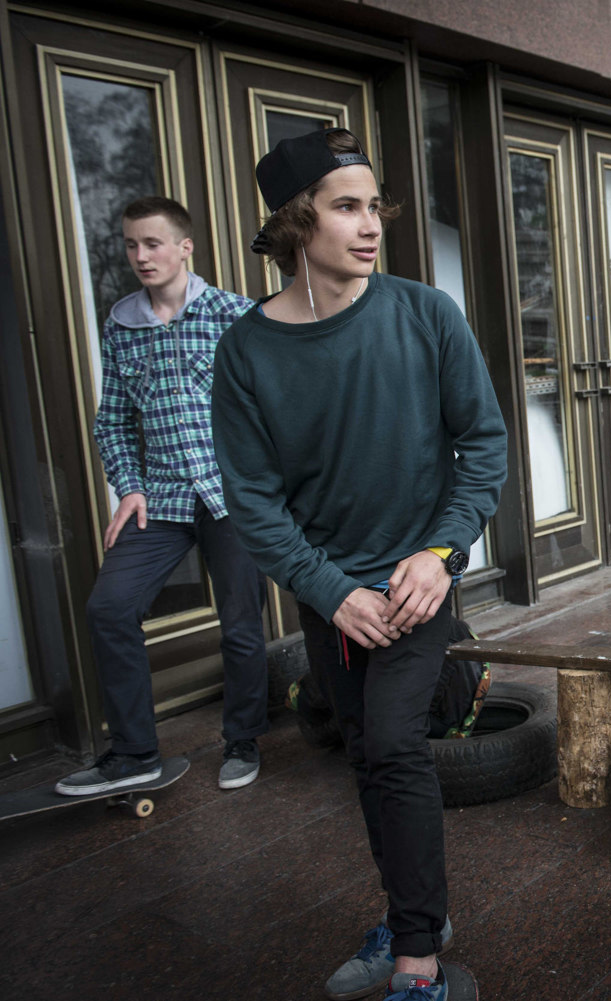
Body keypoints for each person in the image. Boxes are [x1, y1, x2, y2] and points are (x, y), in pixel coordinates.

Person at [211, 128, 508, 1001]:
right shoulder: (247, 351)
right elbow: (255, 503)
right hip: (332, 596)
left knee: (392, 745)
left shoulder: (425, 314)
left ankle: (419, 964)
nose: (371, 223)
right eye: (348, 206)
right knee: (367, 754)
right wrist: (330, 591)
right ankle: (417, 913)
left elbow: (483, 448)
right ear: (298, 222)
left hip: (419, 582)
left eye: (374, 205)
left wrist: (442, 554)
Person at [57, 196, 268, 797]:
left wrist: (266, 483)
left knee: (240, 625)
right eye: (130, 245)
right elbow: (114, 422)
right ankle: (134, 753)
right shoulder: (120, 325)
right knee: (110, 608)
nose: (141, 256)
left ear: (185, 246)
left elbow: (275, 409)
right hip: (163, 499)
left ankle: (244, 738)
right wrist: (128, 488)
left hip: (231, 495)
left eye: (152, 243)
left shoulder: (236, 314)